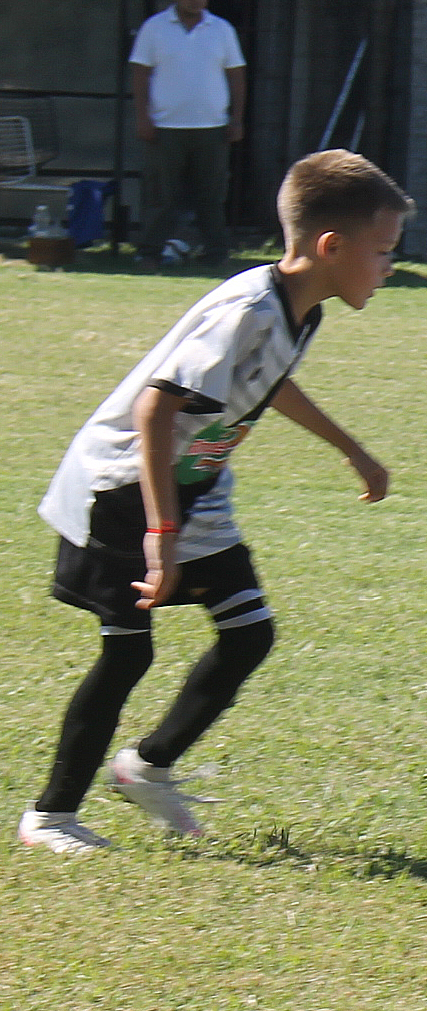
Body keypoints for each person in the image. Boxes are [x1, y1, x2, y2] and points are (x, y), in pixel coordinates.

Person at [20, 150, 406, 854]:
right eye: (382, 252)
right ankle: (50, 817)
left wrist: (348, 447)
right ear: (330, 246)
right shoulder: (248, 310)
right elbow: (155, 410)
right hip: (124, 486)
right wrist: (160, 535)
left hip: (191, 484)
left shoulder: (300, 310)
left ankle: (145, 768)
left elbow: (265, 385)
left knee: (248, 632)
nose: (388, 267)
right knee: (127, 655)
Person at [131, 0, 247, 265]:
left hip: (212, 126)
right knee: (161, 195)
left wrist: (237, 118)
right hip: (166, 125)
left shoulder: (222, 30)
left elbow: (236, 75)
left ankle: (216, 253)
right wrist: (143, 117)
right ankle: (149, 252)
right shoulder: (154, 28)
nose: (196, 0)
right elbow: (140, 74)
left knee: (211, 194)